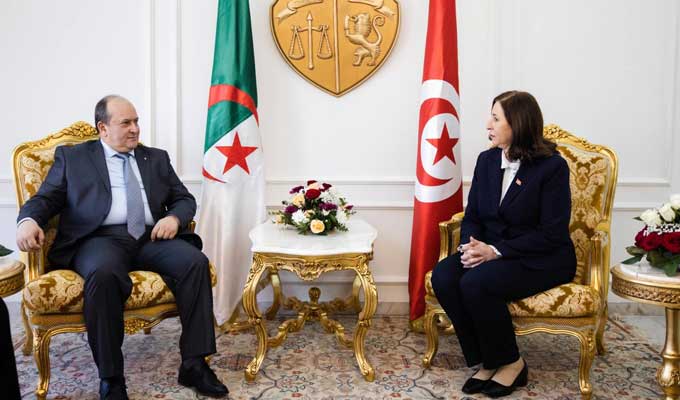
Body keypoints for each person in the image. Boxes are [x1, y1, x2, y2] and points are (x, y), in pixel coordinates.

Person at [16, 95, 228, 399]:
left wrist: (173, 218)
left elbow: (184, 198)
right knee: (103, 275)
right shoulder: (74, 158)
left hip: (150, 237)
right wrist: (27, 221)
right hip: (99, 238)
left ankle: (195, 364)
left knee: (195, 263)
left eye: (136, 121)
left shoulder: (155, 158)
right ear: (103, 128)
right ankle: (112, 378)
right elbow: (45, 199)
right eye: (125, 123)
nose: (135, 129)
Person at [431, 91, 576, 398]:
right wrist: (470, 247)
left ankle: (511, 362)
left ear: (518, 123)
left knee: (476, 283)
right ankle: (488, 359)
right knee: (444, 275)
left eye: (496, 119)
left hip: (541, 257)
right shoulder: (486, 161)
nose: (488, 124)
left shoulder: (552, 167)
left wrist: (495, 251)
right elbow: (473, 215)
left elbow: (551, 233)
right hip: (490, 250)